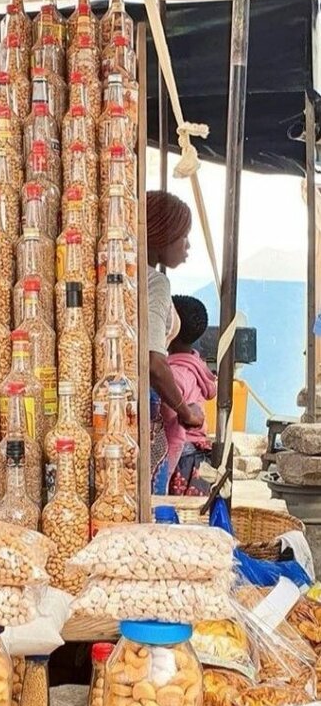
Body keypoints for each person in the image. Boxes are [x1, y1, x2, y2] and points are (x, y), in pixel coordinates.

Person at [146, 190, 204, 493]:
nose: (188, 245)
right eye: (183, 235)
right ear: (161, 236)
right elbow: (154, 364)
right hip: (143, 409)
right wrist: (185, 410)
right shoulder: (154, 283)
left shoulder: (123, 275)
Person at [161, 295, 216, 496]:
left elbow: (169, 418)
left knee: (177, 515)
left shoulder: (173, 374)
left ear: (170, 328)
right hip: (198, 457)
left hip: (182, 457)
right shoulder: (195, 366)